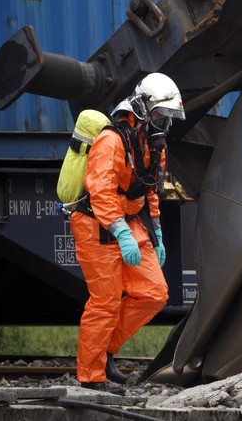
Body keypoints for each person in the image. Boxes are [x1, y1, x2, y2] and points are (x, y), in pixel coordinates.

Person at [69, 72, 185, 390]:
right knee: (105, 302)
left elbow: (149, 190)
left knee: (154, 293)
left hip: (128, 222)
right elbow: (100, 190)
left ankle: (105, 351)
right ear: (145, 109)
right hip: (96, 224)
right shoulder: (113, 139)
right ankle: (91, 376)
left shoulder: (151, 142)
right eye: (163, 115)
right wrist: (120, 231)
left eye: (170, 117)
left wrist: (157, 233)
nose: (166, 123)